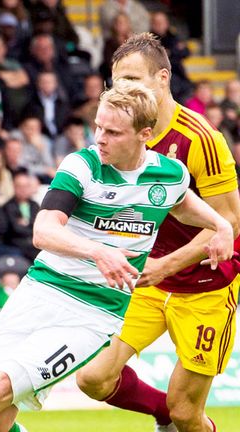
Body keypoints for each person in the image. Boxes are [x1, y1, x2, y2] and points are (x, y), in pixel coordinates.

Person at [0, 79, 233, 432]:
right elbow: (44, 230)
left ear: (145, 134)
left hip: (91, 315)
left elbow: (183, 203)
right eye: (97, 126)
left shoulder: (169, 174)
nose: (99, 138)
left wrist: (220, 225)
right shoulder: (81, 166)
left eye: (113, 132)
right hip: (36, 296)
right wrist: (99, 251)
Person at [75, 33, 240, 432]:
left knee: (187, 413)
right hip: (146, 280)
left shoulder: (201, 138)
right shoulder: (117, 133)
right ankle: (161, 412)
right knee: (92, 378)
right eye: (117, 81)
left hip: (205, 285)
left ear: (162, 78)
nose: (124, 90)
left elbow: (231, 221)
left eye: (134, 79)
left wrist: (166, 265)